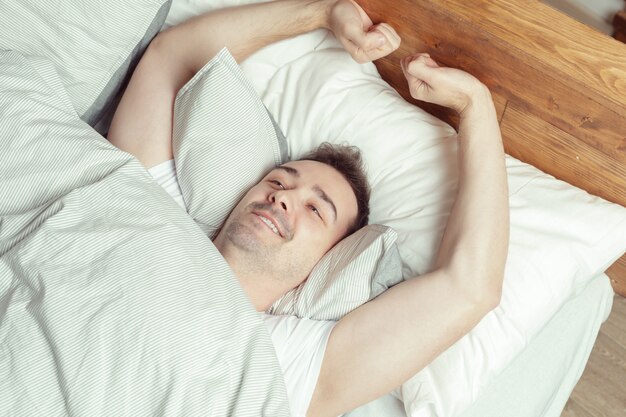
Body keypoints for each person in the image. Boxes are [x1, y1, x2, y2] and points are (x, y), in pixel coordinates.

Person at [108, 0, 509, 416]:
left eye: (317, 211)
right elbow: (171, 58)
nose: (282, 197)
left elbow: (471, 287)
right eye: (278, 181)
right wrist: (322, 13)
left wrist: (474, 104)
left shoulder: (284, 360)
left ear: (325, 263)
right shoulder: (158, 208)